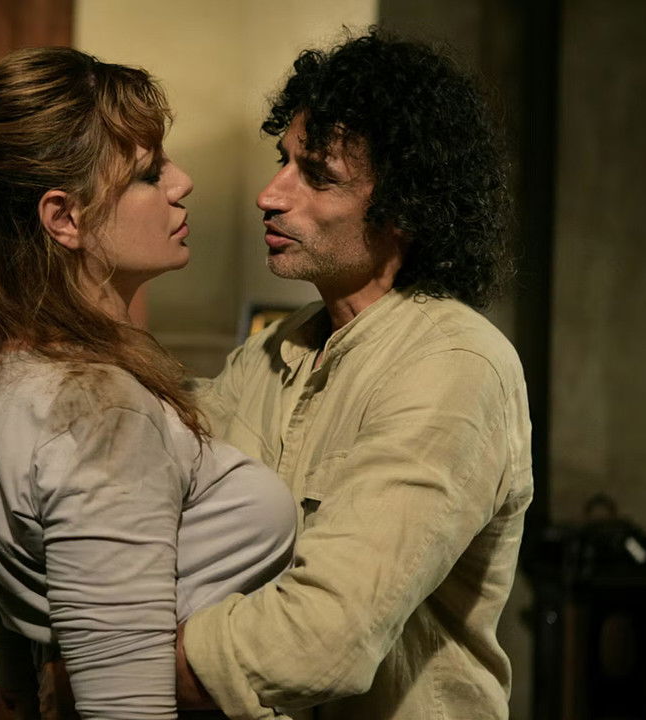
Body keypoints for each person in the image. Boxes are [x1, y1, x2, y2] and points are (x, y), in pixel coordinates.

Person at [0, 47, 295, 720]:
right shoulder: (96, 410)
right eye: (148, 173)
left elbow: (17, 642)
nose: (182, 182)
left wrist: (27, 669)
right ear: (64, 217)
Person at [175, 30, 533, 720]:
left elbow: (320, 642)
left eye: (318, 176)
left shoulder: (454, 365)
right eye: (283, 162)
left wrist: (117, 665)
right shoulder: (274, 349)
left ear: (405, 207)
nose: (269, 195)